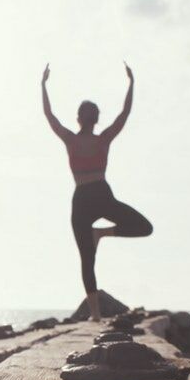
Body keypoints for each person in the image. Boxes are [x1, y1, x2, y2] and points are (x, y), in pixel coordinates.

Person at [41, 62, 152, 321]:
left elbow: (49, 116)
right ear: (96, 118)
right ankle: (102, 233)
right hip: (101, 195)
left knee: (86, 258)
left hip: (82, 199)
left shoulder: (71, 139)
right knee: (144, 227)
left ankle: (95, 315)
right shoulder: (103, 140)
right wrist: (131, 84)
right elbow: (125, 114)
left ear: (79, 118)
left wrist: (43, 85)